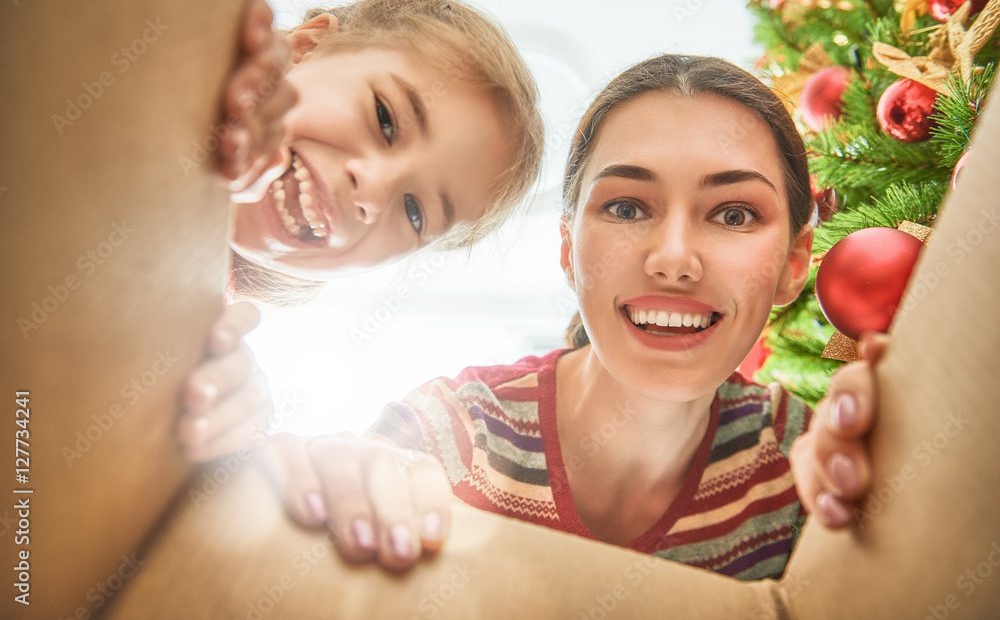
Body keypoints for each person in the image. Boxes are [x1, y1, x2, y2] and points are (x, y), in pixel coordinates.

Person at [184, 53, 881, 579]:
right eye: (627, 207)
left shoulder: (802, 466)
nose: (675, 259)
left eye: (733, 214)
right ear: (567, 249)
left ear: (795, 262)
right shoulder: (450, 438)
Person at [216, 0, 544, 304]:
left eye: (415, 213)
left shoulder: (200, 333)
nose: (374, 191)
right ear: (303, 48)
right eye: (384, 119)